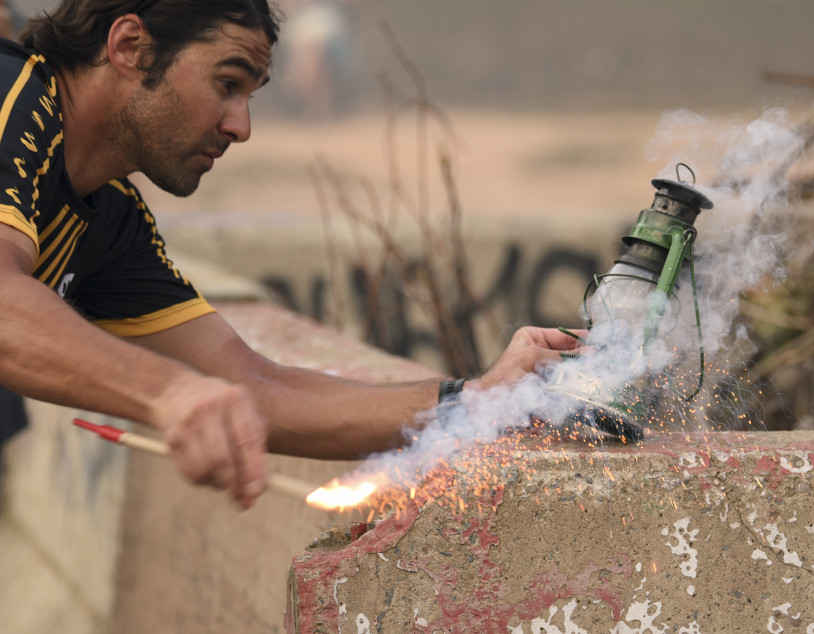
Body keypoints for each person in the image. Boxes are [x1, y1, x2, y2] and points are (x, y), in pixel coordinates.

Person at [0, 0, 579, 509]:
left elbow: (255, 388)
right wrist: (167, 391)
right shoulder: (12, 94)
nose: (241, 126)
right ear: (131, 47)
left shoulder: (111, 219)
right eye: (228, 83)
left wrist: (477, 401)